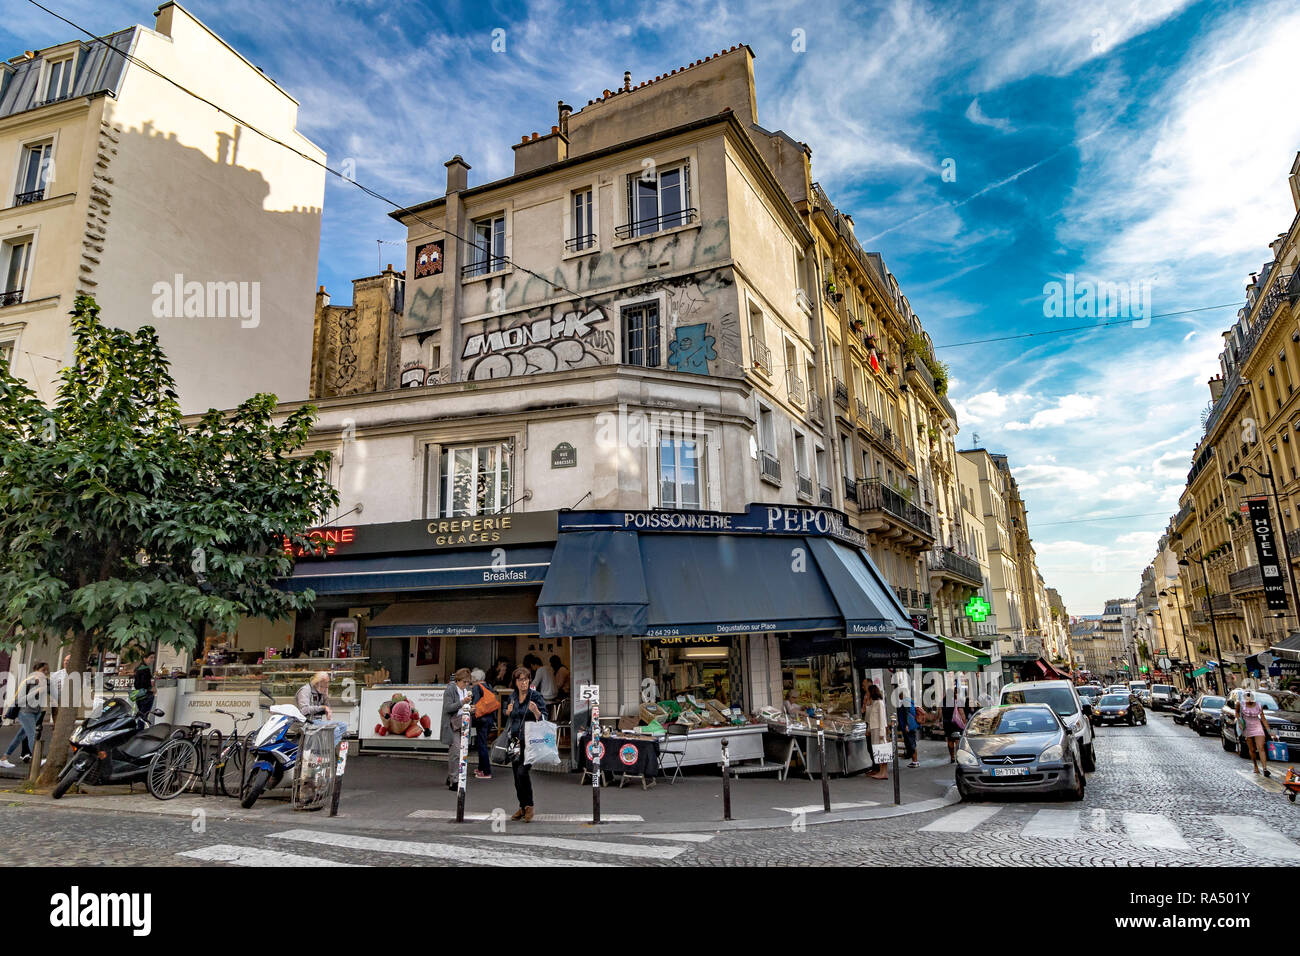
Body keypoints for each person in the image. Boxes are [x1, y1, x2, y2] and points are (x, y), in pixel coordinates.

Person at [504, 666, 547, 822]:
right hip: (514, 740)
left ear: (530, 680)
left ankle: (529, 806)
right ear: (515, 682)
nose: (524, 683)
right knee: (516, 775)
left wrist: (536, 711)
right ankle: (522, 806)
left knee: (523, 772)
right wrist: (507, 712)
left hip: (530, 741)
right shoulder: (513, 697)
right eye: (520, 679)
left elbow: (544, 718)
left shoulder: (535, 697)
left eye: (526, 679)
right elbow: (507, 713)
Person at [1, 662, 48, 769]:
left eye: (46, 671)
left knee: (20, 736)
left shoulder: (44, 684)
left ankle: (4, 758)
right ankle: (37, 759)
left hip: (36, 713)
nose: (45, 673)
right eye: (42, 670)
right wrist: (35, 692)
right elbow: (20, 700)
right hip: (25, 713)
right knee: (32, 734)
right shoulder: (27, 682)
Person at [442, 668, 473, 790]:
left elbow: (466, 707)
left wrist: (471, 708)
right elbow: (447, 708)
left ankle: (452, 776)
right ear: (458, 680)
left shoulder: (467, 690)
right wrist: (462, 702)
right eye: (464, 682)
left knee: (462, 751)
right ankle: (454, 781)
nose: (466, 684)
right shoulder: (450, 690)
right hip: (452, 724)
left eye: (468, 682)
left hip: (463, 723)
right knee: (455, 752)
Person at [1239, 689, 1278, 778]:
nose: (1249, 700)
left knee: (1261, 747)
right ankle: (1255, 766)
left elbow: (1263, 718)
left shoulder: (1258, 705)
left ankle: (1265, 769)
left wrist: (1270, 732)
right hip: (1247, 727)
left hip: (1257, 726)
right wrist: (1239, 724)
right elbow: (1238, 715)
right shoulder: (1241, 705)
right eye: (1247, 699)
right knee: (1252, 749)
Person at [469, 668, 497, 779]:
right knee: (482, 743)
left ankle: (486, 771)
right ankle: (481, 768)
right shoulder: (488, 686)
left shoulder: (476, 688)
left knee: (482, 745)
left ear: (475, 679)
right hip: (489, 719)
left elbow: (475, 704)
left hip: (482, 719)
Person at [864, 683, 889, 779]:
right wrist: (869, 729)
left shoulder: (879, 703)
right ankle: (881, 771)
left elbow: (882, 719)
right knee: (878, 751)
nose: (867, 694)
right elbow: (871, 719)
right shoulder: (874, 703)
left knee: (882, 751)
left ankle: (884, 772)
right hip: (874, 731)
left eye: (868, 692)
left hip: (879, 731)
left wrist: (882, 733)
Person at [897, 685, 920, 768]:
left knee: (911, 743)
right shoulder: (909, 701)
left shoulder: (906, 701)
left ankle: (915, 761)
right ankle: (914, 761)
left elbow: (906, 714)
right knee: (911, 742)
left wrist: (906, 725)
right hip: (910, 725)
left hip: (908, 726)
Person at [133, 651, 156, 721]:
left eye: (154, 658)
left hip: (138, 694)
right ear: (144, 658)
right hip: (146, 695)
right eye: (151, 658)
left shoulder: (139, 668)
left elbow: (136, 684)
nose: (153, 660)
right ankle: (141, 731)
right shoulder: (145, 669)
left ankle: (138, 730)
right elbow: (143, 683)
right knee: (144, 716)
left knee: (140, 714)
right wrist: (151, 688)